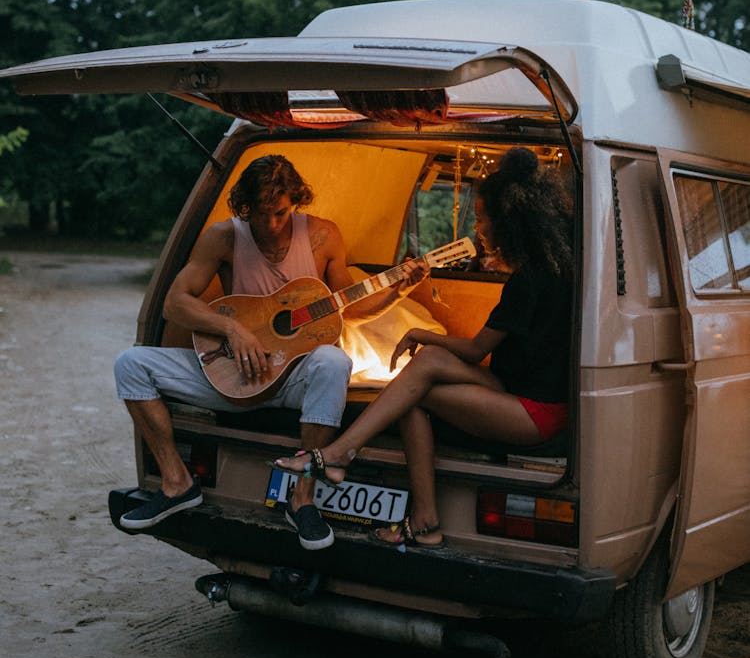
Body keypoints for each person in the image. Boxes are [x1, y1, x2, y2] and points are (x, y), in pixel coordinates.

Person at [115, 154, 423, 550]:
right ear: (244, 207)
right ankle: (177, 484)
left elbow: (352, 306)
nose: (271, 224)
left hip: (290, 381)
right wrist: (232, 328)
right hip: (232, 374)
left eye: (279, 213)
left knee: (333, 361)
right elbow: (175, 303)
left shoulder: (323, 236)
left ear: (295, 202)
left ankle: (302, 498)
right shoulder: (224, 237)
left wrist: (400, 288)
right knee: (130, 364)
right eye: (259, 214)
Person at [273, 147, 573, 550]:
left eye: (483, 219)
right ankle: (416, 515)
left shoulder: (529, 281)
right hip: (511, 387)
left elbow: (474, 350)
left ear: (510, 222)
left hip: (536, 412)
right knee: (421, 381)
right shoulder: (552, 266)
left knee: (423, 379)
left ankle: (343, 454)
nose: (478, 227)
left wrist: (421, 333)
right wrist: (426, 341)